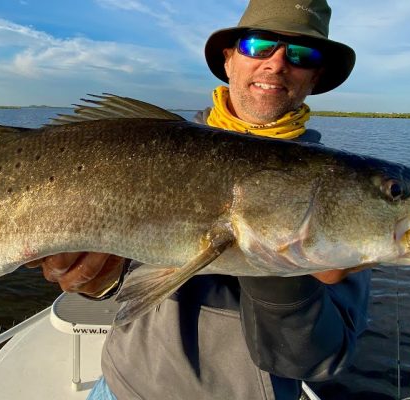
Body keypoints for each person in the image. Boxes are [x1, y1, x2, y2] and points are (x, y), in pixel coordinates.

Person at [32, 0, 370, 399]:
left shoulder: (336, 190)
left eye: (302, 54)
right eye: (259, 45)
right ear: (229, 59)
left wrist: (286, 272)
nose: (277, 64)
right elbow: (128, 285)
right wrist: (94, 280)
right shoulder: (150, 148)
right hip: (120, 388)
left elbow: (319, 361)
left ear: (315, 77)